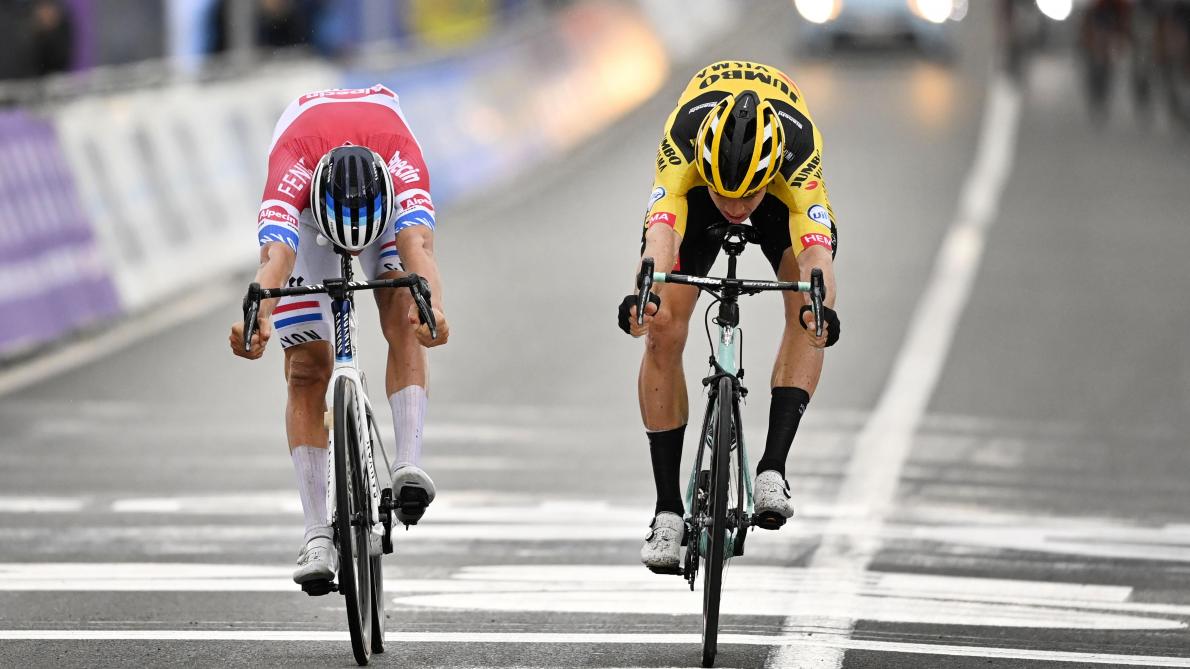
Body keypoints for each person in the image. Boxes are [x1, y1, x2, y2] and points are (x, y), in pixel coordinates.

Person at [618, 61, 840, 572]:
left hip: (781, 201)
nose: (737, 208)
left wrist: (821, 308)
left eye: (747, 197)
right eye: (727, 195)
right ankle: (667, 511)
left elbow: (816, 255)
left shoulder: (799, 150)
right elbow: (660, 237)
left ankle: (773, 469)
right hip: (692, 199)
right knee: (662, 329)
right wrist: (643, 296)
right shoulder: (681, 139)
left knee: (808, 309)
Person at [229, 84, 449, 586]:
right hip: (312, 219)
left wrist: (433, 307)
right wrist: (259, 313)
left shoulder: (401, 158)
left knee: (407, 314)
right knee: (306, 368)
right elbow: (276, 259)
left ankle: (408, 465)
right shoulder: (292, 166)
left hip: (381, 207)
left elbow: (418, 246)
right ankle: (315, 533)